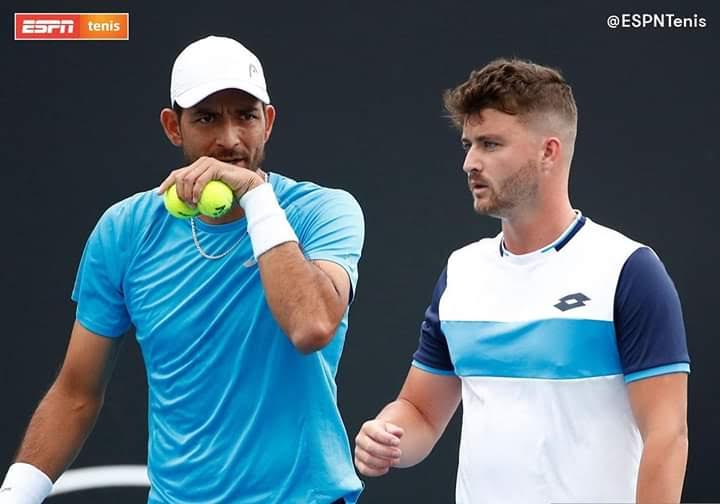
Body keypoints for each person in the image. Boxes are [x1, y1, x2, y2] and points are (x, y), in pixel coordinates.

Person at [0, 35, 364, 504]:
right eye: (207, 118)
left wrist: (256, 197)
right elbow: (76, 393)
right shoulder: (125, 230)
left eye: (246, 116)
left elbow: (311, 325)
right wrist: (15, 495)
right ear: (174, 127)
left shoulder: (323, 211)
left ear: (268, 122)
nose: (230, 139)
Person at [354, 59, 690, 504]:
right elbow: (421, 413)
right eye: (468, 145)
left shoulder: (628, 270)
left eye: (491, 144)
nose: (470, 162)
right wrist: (388, 434)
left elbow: (667, 435)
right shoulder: (461, 271)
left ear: (548, 152)